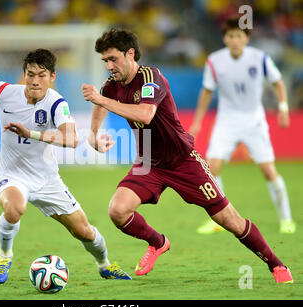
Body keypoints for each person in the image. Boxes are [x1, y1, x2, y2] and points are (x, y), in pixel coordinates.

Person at [81, 28, 293, 283]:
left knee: (229, 220)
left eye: (113, 59)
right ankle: (158, 243)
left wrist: (100, 100)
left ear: (130, 54)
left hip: (184, 161)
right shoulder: (111, 86)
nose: (109, 66)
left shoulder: (151, 77)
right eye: (105, 61)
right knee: (117, 211)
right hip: (149, 163)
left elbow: (145, 114)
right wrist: (94, 136)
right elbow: (102, 99)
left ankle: (276, 265)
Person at [0, 48, 131, 283]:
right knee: (15, 208)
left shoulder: (56, 104)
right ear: (24, 74)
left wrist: (32, 133)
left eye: (41, 75)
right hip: (11, 174)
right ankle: (5, 256)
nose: (35, 81)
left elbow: (71, 139)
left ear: (53, 77)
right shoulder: (5, 93)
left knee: (84, 231)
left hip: (47, 180)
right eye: (30, 74)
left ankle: (104, 265)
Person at [189, 16, 296, 235]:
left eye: (239, 36)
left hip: (254, 122)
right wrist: (198, 121)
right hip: (226, 122)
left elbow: (278, 82)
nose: (235, 40)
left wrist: (283, 108)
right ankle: (218, 219)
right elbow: (207, 91)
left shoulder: (260, 58)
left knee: (268, 171)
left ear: (246, 38)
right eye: (230, 36)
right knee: (211, 169)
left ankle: (286, 219)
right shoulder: (214, 61)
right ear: (225, 39)